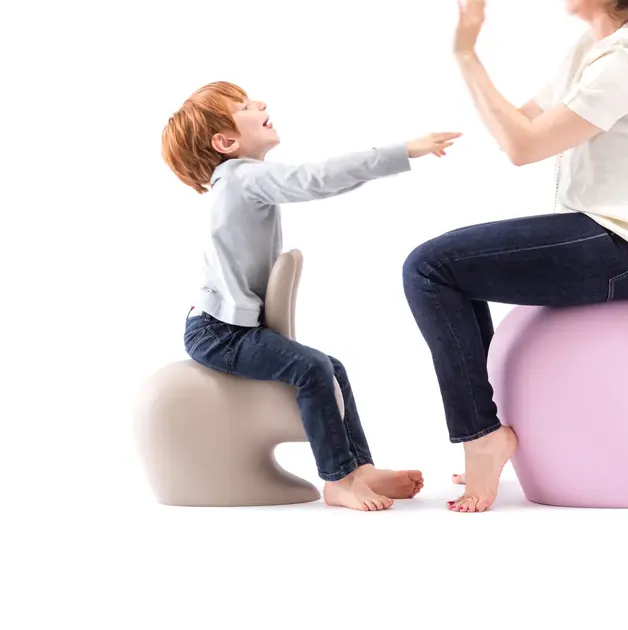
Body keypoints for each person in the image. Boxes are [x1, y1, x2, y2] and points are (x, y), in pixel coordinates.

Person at [403, 0, 628, 513]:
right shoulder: (590, 51)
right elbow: (520, 122)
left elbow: (522, 145)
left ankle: (482, 438)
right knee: (443, 267)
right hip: (617, 235)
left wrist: (466, 54)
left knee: (430, 268)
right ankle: (483, 434)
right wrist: (473, 76)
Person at [162, 81, 461, 511]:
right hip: (218, 333)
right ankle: (337, 479)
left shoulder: (242, 181)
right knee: (313, 368)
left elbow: (321, 183)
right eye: (244, 106)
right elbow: (316, 179)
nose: (260, 103)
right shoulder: (242, 178)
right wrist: (404, 151)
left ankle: (360, 469)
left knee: (331, 368)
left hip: (226, 329)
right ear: (226, 142)